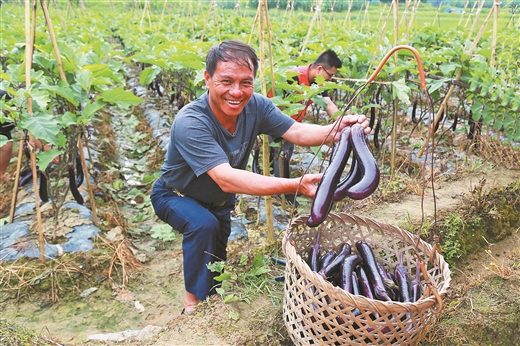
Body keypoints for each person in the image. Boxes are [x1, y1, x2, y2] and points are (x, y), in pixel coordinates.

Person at [150, 40, 369, 314]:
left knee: (216, 253)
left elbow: (297, 132)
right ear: (207, 78)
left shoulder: (257, 106)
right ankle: (191, 307)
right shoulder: (191, 121)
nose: (236, 91)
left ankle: (211, 300)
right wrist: (294, 186)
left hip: (218, 201)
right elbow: (227, 178)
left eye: (246, 82)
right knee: (203, 226)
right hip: (175, 195)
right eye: (226, 81)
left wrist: (337, 129)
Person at [268, 50, 343, 206]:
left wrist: (344, 121)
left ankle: (280, 185)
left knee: (284, 155)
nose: (330, 79)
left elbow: (328, 104)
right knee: (281, 155)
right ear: (320, 69)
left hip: (293, 124)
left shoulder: (318, 81)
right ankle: (283, 194)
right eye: (330, 75)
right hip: (276, 120)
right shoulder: (292, 76)